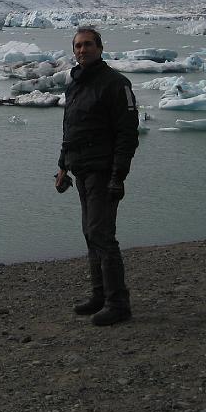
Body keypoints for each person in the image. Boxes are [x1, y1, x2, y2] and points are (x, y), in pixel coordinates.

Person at [56, 27, 140, 325]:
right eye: (78, 46)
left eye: (88, 45)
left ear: (100, 48)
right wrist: (63, 165)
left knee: (102, 235)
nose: (82, 50)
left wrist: (119, 175)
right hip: (82, 169)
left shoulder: (116, 84)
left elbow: (127, 134)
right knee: (91, 234)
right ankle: (99, 295)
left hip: (104, 171)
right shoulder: (76, 83)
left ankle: (118, 304)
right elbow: (71, 127)